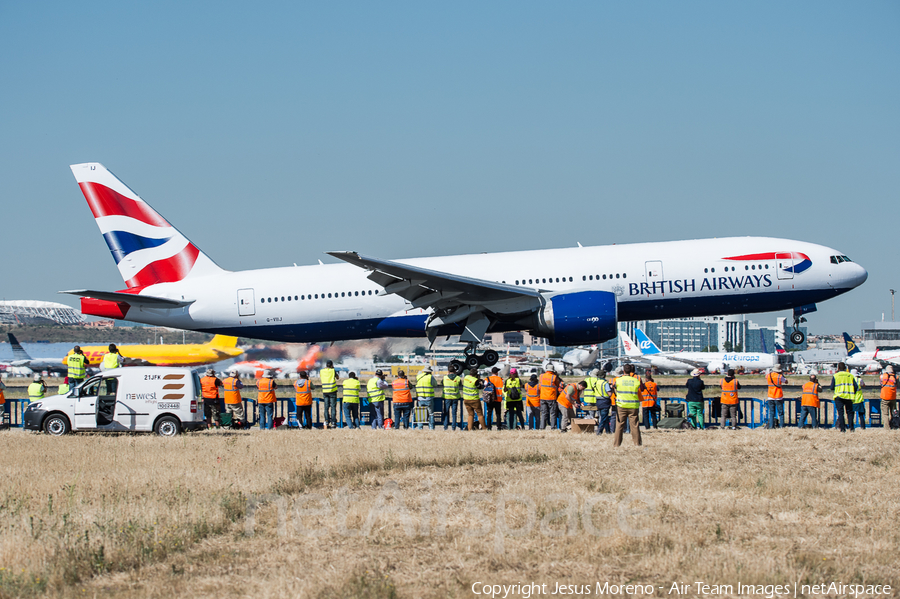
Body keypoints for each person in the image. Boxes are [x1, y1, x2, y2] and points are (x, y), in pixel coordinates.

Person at [613, 364, 644, 446]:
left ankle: (616, 444)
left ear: (623, 370)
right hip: (633, 406)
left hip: (621, 405)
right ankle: (637, 443)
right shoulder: (636, 381)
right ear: (631, 371)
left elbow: (613, 387)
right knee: (634, 425)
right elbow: (641, 389)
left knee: (619, 425)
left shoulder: (618, 380)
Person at [830, 362, 858, 433]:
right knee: (850, 413)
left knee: (840, 413)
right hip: (849, 396)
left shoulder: (836, 376)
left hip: (839, 396)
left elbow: (831, 387)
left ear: (838, 368)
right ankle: (851, 428)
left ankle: (842, 429)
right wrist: (852, 392)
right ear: (845, 368)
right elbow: (856, 386)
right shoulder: (850, 375)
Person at [539, 366, 561, 430]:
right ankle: (553, 427)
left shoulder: (541, 376)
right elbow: (557, 384)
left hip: (543, 397)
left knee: (544, 413)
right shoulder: (554, 377)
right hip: (551, 397)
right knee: (553, 413)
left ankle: (542, 427)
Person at [319, 360, 340, 429]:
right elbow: (337, 377)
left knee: (326, 407)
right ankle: (333, 422)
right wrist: (332, 369)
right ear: (331, 365)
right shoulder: (333, 371)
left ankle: (326, 421)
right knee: (333, 407)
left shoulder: (321, 371)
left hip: (325, 391)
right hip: (332, 391)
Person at [441, 366, 462, 431]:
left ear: (448, 371)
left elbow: (442, 383)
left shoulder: (445, 378)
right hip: (455, 398)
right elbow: (460, 385)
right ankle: (453, 427)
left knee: (446, 412)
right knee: (454, 413)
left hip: (447, 397)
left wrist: (447, 375)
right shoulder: (458, 378)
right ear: (455, 371)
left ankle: (445, 426)